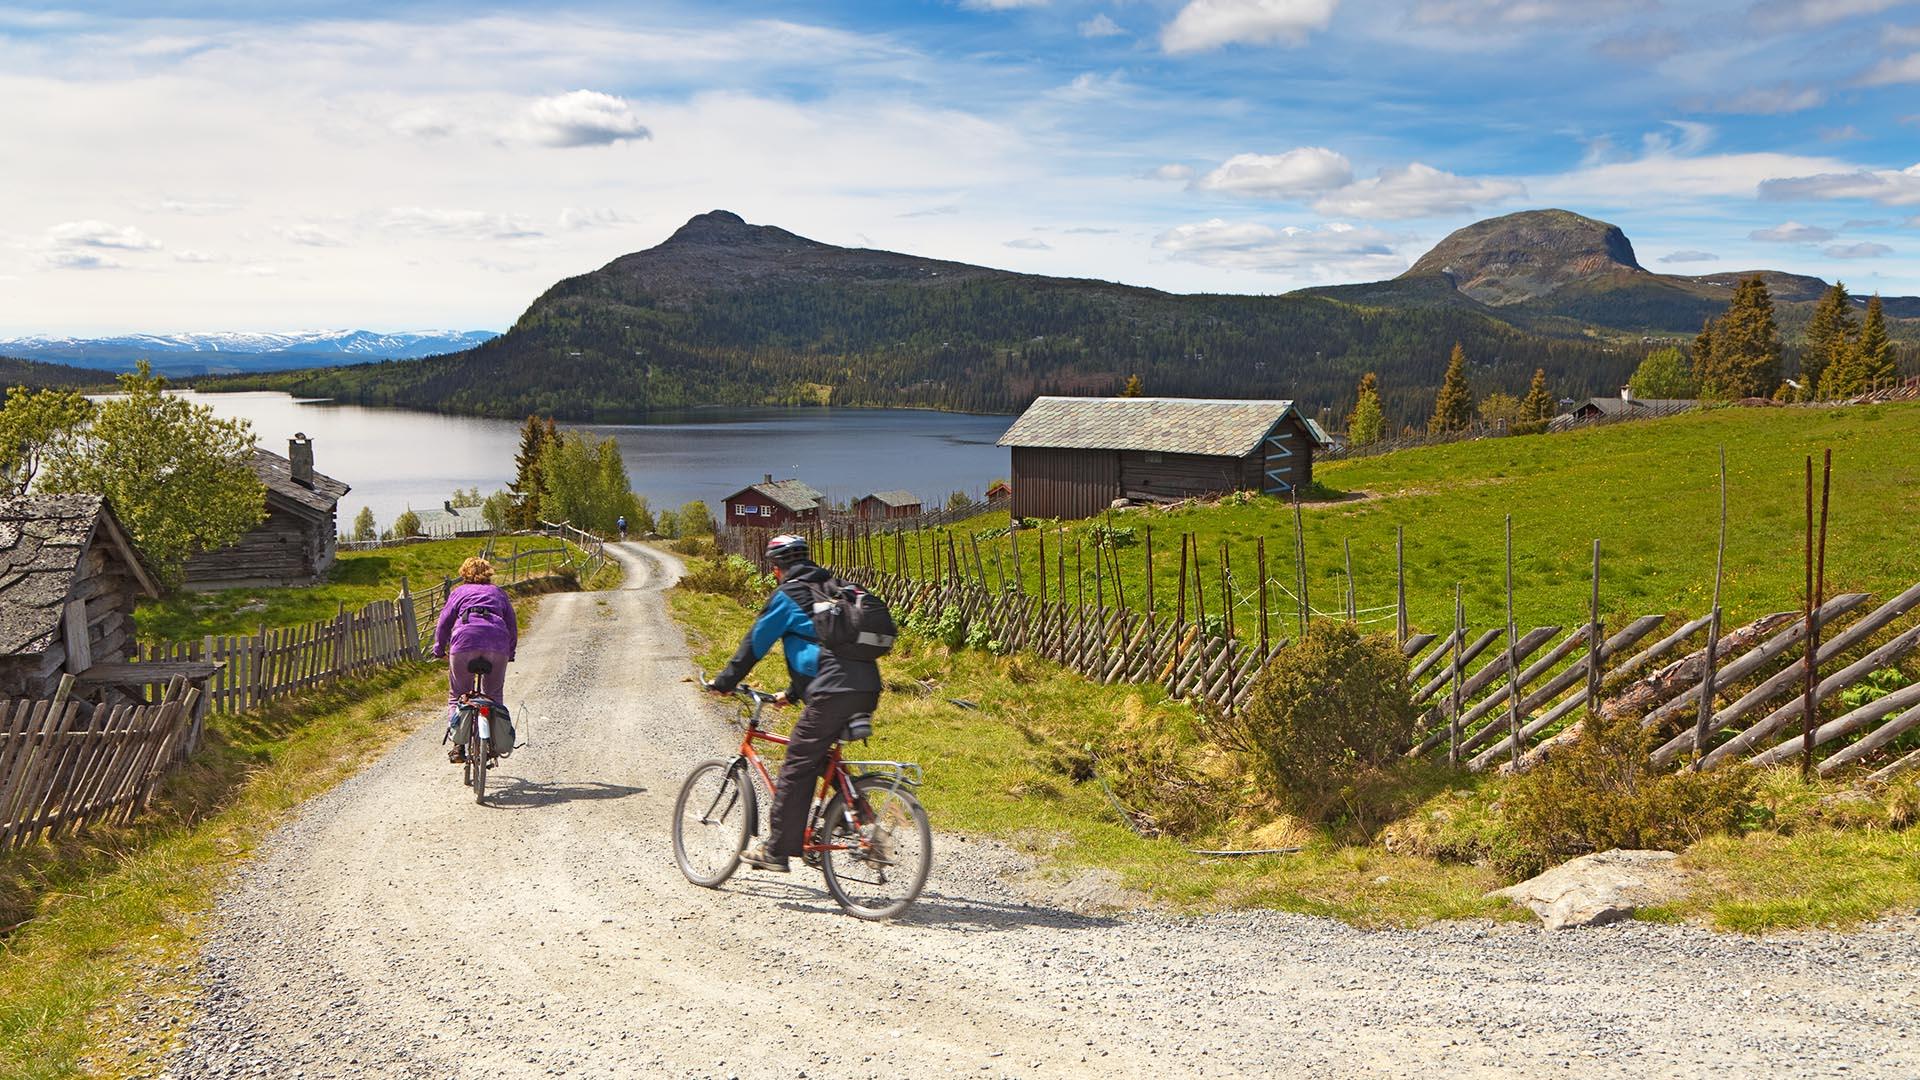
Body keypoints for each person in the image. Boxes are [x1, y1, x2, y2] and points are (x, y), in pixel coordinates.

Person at [706, 534, 881, 872]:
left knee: (796, 763)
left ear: (776, 569)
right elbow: (826, 646)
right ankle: (854, 816)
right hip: (867, 686)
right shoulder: (832, 587)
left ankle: (775, 851)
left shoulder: (787, 595)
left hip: (833, 689)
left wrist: (725, 682)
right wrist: (794, 692)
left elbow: (754, 644)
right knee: (818, 753)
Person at [433, 556, 518, 760]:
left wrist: (439, 649)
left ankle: (458, 747)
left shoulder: (458, 592)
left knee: (457, 695)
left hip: (464, 643)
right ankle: (493, 744)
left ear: (464, 574)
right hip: (497, 643)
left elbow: (444, 623)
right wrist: (510, 652)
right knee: (494, 695)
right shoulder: (498, 593)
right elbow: (512, 625)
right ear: (488, 573)